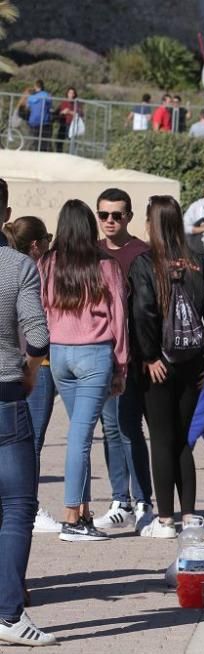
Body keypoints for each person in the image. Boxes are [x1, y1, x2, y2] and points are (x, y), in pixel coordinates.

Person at [131, 196, 204, 538]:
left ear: (150, 223)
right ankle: (189, 514)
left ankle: (165, 519)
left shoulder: (145, 264)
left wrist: (149, 355)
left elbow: (143, 311)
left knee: (160, 438)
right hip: (192, 363)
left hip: (159, 364)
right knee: (184, 438)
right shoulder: (198, 263)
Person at [37, 200, 128, 542]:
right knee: (81, 437)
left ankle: (84, 512)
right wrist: (121, 365)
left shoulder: (48, 262)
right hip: (94, 354)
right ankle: (71, 517)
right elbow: (119, 318)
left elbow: (43, 309)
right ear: (91, 226)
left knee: (81, 435)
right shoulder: (106, 264)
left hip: (59, 354)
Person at [0, 189, 57, 645]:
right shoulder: (19, 266)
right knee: (17, 507)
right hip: (5, 394)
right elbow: (38, 334)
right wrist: (33, 372)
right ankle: (8, 615)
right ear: (5, 214)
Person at [93, 189, 156, 534]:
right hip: (99, 356)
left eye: (117, 215)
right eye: (104, 215)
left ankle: (144, 500)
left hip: (133, 357)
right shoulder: (93, 252)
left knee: (131, 430)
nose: (110, 221)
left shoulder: (142, 254)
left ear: (129, 216)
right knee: (109, 429)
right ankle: (121, 501)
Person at [2, 216, 64, 534]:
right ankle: (32, 507)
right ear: (37, 244)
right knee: (30, 444)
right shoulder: (25, 269)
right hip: (23, 369)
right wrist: (32, 369)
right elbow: (38, 334)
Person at [24, 80, 53, 151]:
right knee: (44, 142)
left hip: (33, 121)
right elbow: (50, 107)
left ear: (35, 86)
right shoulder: (46, 95)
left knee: (34, 141)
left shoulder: (31, 97)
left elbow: (28, 107)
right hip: (44, 121)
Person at [56, 87, 83, 151]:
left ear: (74, 95)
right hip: (63, 124)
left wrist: (69, 112)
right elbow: (58, 112)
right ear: (67, 94)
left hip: (72, 125)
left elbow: (80, 114)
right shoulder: (63, 102)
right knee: (59, 140)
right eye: (69, 93)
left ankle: (72, 155)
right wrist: (63, 112)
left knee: (71, 141)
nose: (71, 94)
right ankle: (58, 155)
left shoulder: (76, 103)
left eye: (72, 93)